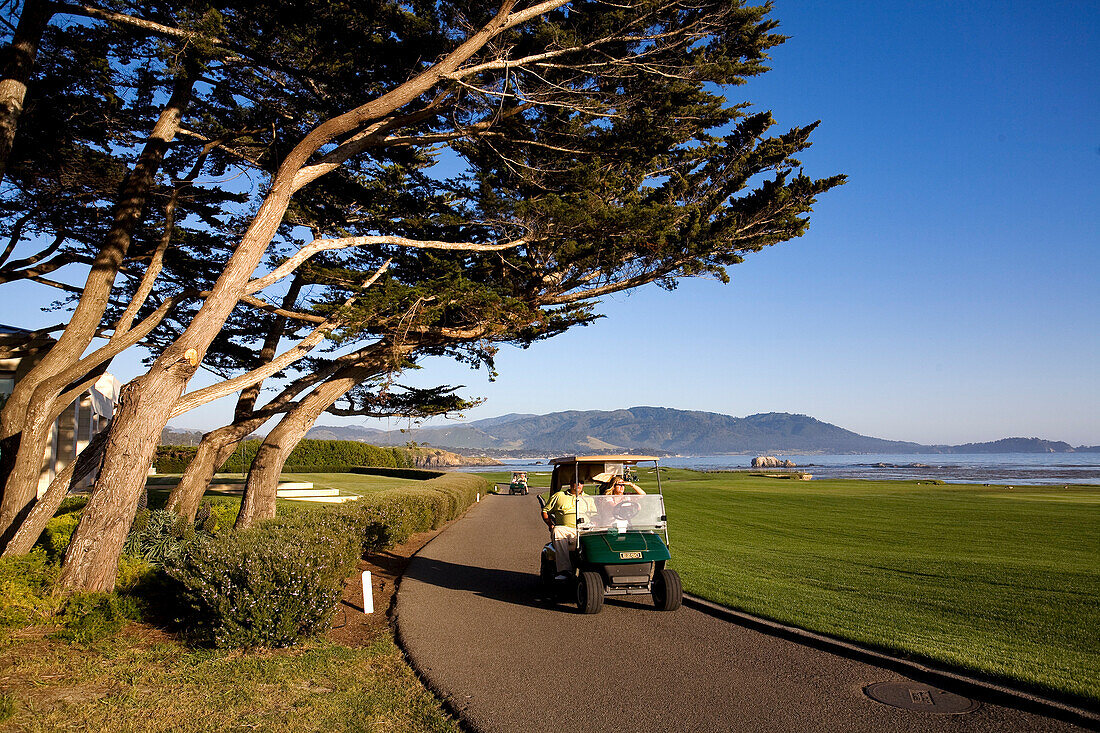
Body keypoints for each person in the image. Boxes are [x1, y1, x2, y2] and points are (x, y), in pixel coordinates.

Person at [542, 482, 586, 580]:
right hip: (565, 530)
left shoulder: (588, 499)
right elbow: (545, 511)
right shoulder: (559, 496)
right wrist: (550, 525)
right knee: (557, 530)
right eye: (576, 482)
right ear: (570, 483)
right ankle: (565, 570)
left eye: (581, 483)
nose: (578, 485)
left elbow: (596, 515)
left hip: (584, 530)